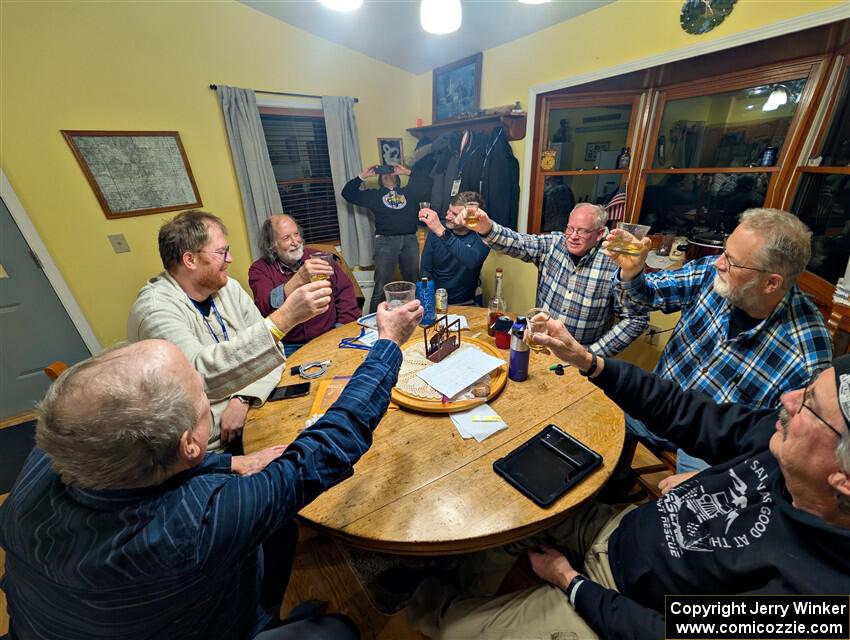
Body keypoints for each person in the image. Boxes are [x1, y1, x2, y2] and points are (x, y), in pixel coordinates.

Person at [0, 300, 423, 640]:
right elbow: (332, 442)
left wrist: (233, 461)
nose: (206, 393)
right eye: (203, 396)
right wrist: (387, 343)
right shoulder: (192, 528)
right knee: (343, 629)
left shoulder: (53, 450)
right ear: (189, 445)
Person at [409, 318, 850, 640]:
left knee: (460, 629)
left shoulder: (824, 601)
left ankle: (431, 606)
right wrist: (591, 362)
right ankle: (461, 584)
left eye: (808, 405)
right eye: (806, 388)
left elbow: (663, 634)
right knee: (513, 508)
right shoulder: (782, 444)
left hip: (616, 596)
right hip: (623, 527)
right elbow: (686, 412)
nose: (787, 399)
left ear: (843, 480)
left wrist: (570, 582)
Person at [610, 208, 832, 475]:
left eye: (733, 261)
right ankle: (614, 487)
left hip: (713, 453)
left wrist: (719, 481)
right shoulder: (713, 274)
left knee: (691, 511)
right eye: (725, 251)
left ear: (771, 283)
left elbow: (784, 451)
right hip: (663, 403)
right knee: (600, 417)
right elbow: (647, 295)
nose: (719, 263)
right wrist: (633, 273)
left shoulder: (806, 354)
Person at [127, 210, 331, 452]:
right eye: (221, 252)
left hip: (255, 408)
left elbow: (272, 353)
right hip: (208, 448)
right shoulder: (155, 310)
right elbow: (198, 378)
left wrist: (242, 399)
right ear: (190, 260)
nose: (230, 258)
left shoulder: (228, 288)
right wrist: (284, 318)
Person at [460, 202, 648, 356]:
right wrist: (486, 228)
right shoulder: (554, 244)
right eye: (570, 228)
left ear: (600, 234)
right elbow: (518, 242)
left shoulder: (615, 262)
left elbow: (635, 319)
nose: (573, 236)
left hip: (581, 359)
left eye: (582, 231)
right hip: (540, 349)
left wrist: (592, 355)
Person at [248, 214, 361, 356]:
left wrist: (340, 330)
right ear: (272, 244)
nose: (295, 242)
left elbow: (346, 296)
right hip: (289, 344)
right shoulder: (259, 270)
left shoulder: (319, 257)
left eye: (296, 234)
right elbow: (264, 307)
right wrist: (300, 277)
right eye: (286, 238)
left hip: (328, 334)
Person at [341, 163, 429, 313]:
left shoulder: (409, 192)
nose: (387, 175)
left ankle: (414, 316)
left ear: (397, 177)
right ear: (379, 178)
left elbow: (428, 183)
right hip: (385, 242)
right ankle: (373, 324)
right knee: (381, 286)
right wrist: (363, 176)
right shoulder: (374, 195)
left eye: (391, 172)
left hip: (409, 240)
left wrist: (407, 172)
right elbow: (348, 193)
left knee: (413, 283)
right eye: (383, 173)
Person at [418, 191, 490, 306]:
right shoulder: (437, 229)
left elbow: (472, 261)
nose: (447, 216)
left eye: (455, 214)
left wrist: (442, 232)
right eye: (449, 210)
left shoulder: (482, 235)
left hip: (466, 302)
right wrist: (427, 299)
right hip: (436, 299)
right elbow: (425, 270)